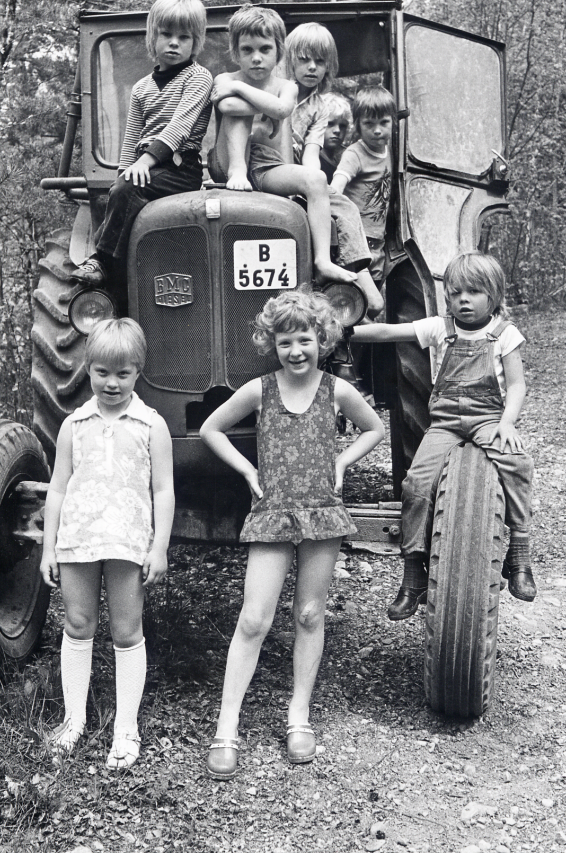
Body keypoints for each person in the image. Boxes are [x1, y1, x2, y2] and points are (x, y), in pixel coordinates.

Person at [200, 287, 385, 779]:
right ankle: (226, 725)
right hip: (273, 511)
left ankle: (298, 716)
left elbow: (374, 429)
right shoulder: (260, 389)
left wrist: (343, 461)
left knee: (308, 612)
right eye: (285, 343)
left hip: (322, 511)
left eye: (304, 340)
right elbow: (211, 429)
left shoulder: (336, 390)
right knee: (254, 619)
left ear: (321, 339)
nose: (296, 351)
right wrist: (247, 471)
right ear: (272, 344)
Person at [352, 251, 537, 621]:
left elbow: (516, 386)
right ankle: (412, 572)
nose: (463, 300)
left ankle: (519, 552)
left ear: (494, 296)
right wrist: (344, 330)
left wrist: (508, 423)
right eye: (455, 294)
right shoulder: (441, 327)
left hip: (488, 419)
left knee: (518, 464)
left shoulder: (505, 335)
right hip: (446, 422)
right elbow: (390, 331)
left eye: (474, 292)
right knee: (416, 483)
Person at [40, 318, 175, 768]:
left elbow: (163, 490)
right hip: (78, 538)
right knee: (78, 624)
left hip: (126, 540)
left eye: (122, 373)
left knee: (125, 630)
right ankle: (73, 719)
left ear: (138, 371)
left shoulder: (150, 425)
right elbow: (57, 487)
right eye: (101, 372)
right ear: (87, 369)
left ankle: (126, 727)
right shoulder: (74, 425)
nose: (111, 382)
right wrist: (48, 547)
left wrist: (159, 547)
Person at [72, 0, 213, 286]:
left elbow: (179, 128)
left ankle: (102, 261)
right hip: (145, 169)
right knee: (122, 191)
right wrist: (122, 177)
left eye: (184, 37)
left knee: (128, 189)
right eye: (166, 34)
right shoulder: (141, 88)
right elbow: (131, 139)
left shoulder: (198, 78)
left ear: (196, 42)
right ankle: (118, 280)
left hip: (179, 169)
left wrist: (144, 164)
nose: (174, 42)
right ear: (152, 37)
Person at [208, 5, 356, 286]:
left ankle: (322, 261)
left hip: (267, 167)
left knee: (316, 179)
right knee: (237, 113)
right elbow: (228, 105)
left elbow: (283, 108)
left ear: (278, 51)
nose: (256, 58)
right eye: (247, 50)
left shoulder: (287, 86)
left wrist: (242, 91)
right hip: (228, 164)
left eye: (264, 49)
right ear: (235, 52)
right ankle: (238, 171)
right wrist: (262, 116)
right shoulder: (224, 79)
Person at [285, 24, 383, 316]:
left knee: (343, 206)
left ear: (329, 66)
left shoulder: (319, 106)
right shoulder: (280, 93)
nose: (312, 67)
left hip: (298, 176)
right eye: (304, 59)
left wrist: (312, 182)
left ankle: (344, 269)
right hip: (271, 169)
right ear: (289, 60)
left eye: (320, 61)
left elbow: (311, 155)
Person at [331, 86, 395, 290]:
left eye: (384, 122)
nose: (377, 130)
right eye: (369, 124)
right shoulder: (355, 154)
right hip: (356, 242)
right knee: (361, 301)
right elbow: (336, 188)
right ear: (357, 125)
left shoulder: (392, 150)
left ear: (393, 121)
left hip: (378, 242)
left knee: (373, 300)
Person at [319, 93, 351, 183]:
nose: (337, 130)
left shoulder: (347, 156)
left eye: (342, 126)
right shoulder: (311, 159)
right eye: (330, 124)